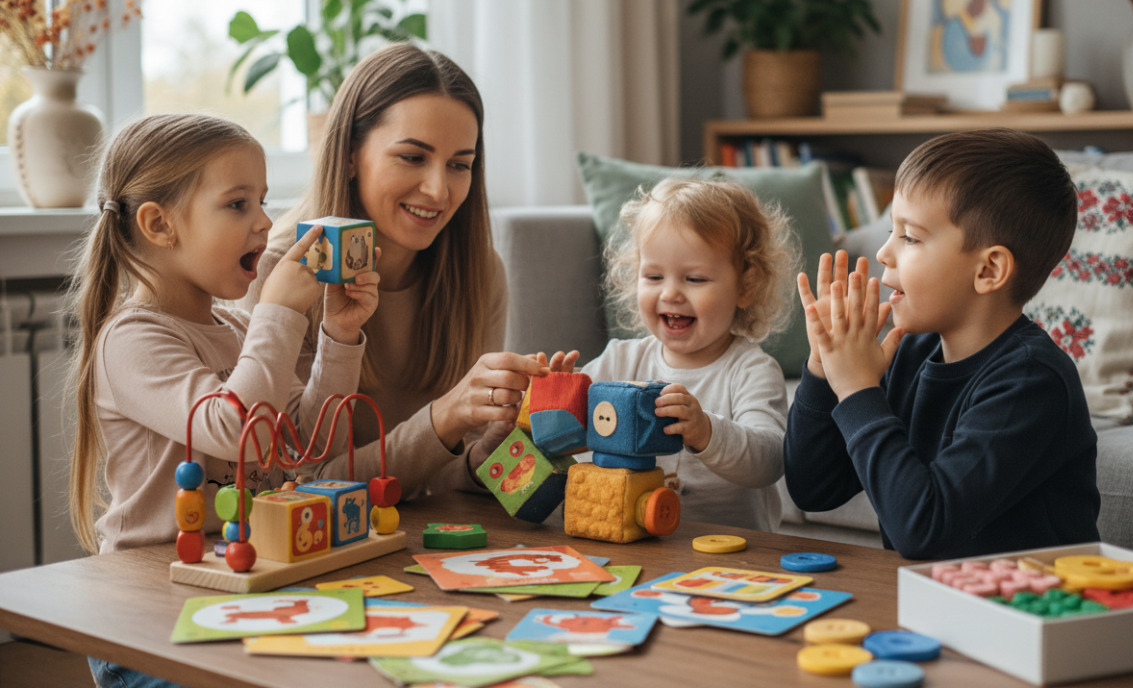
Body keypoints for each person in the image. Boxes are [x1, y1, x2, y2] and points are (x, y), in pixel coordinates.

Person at [66, 114, 378, 688]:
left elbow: (307, 447)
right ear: (160, 224)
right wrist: (279, 313)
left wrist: (338, 337)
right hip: (151, 622)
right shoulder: (131, 339)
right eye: (237, 205)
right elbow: (238, 432)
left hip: (236, 591)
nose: (264, 222)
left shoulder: (235, 328)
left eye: (262, 201)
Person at [245, 42, 547, 494]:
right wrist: (445, 417)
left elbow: (439, 478)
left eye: (459, 165)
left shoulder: (480, 273)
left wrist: (479, 461)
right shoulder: (280, 271)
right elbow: (300, 480)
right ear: (349, 155)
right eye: (412, 157)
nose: (438, 190)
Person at [785, 128, 1101, 560]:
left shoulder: (1031, 381)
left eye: (909, 237)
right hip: (935, 603)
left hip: (1030, 614)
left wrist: (859, 390)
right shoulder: (912, 352)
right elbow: (813, 488)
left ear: (989, 270)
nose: (883, 253)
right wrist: (825, 370)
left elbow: (924, 527)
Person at [553, 177, 799, 531]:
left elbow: (770, 459)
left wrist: (706, 432)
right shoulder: (619, 360)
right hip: (633, 539)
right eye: (653, 276)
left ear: (746, 286)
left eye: (694, 279)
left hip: (731, 554)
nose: (670, 293)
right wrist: (556, 392)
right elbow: (567, 435)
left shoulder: (751, 370)